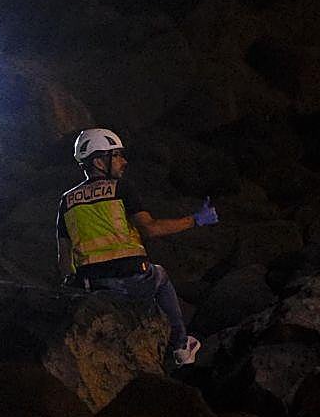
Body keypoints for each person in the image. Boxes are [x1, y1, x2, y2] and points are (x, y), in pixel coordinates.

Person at [59, 128, 218, 366]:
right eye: (118, 155)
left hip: (92, 287)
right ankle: (181, 346)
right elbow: (150, 229)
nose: (124, 162)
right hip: (131, 278)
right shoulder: (121, 189)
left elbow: (64, 258)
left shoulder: (67, 200)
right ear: (100, 160)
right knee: (160, 274)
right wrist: (195, 220)